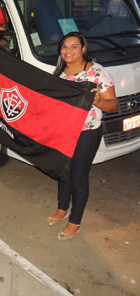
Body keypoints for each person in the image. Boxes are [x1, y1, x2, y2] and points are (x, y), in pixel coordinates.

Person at [47, 32, 118, 241]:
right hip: (63, 131)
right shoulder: (59, 72)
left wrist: (98, 102)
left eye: (74, 46)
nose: (68, 51)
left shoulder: (96, 73)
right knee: (63, 172)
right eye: (64, 47)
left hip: (86, 133)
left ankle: (75, 221)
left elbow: (113, 104)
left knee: (78, 177)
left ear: (83, 49)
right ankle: (62, 208)